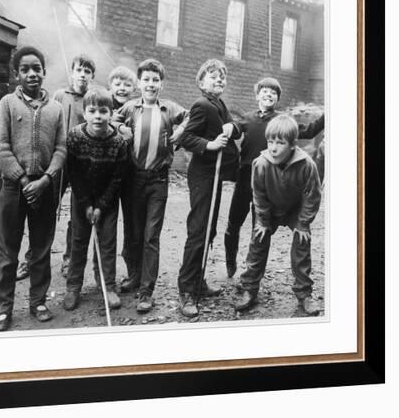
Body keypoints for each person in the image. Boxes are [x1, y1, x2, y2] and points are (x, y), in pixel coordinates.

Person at [224, 78, 324, 278]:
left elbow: (310, 130)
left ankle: (252, 269)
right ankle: (230, 260)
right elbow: (235, 130)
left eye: (273, 92)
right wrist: (229, 128)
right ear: (257, 95)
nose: (268, 94)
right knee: (234, 221)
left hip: (267, 178)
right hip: (245, 177)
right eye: (264, 91)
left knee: (260, 225)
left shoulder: (282, 122)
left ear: (277, 98)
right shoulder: (247, 118)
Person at [0, 46, 66, 331]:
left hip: (45, 189)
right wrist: (23, 180)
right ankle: (3, 307)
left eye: (36, 68)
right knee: (8, 251)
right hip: (14, 189)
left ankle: (38, 301)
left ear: (44, 72)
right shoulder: (7, 104)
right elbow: (0, 147)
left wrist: (46, 179)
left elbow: (61, 149)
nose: (32, 74)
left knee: (40, 249)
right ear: (16, 74)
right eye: (25, 69)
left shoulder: (56, 109)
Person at [113, 59, 188, 313]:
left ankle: (146, 291)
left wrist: (181, 132)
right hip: (133, 178)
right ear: (139, 82)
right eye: (146, 79)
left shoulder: (169, 108)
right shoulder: (130, 107)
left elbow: (191, 117)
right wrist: (121, 127)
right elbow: (111, 118)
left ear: (161, 84)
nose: (151, 84)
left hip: (158, 179)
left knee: (150, 236)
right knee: (133, 233)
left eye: (155, 80)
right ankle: (134, 276)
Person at [15, 54, 96, 281]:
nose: (82, 75)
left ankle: (69, 260)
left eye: (87, 72)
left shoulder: (92, 98)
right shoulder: (60, 95)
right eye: (79, 70)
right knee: (46, 211)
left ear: (92, 77)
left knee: (77, 214)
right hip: (58, 161)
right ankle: (32, 258)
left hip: (82, 164)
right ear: (72, 72)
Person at [235, 114, 322, 316]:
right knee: (258, 242)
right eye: (270, 141)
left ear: (292, 144)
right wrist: (263, 221)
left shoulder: (307, 164)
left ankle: (304, 293)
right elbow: (258, 195)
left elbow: (313, 196)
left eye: (280, 143)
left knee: (302, 244)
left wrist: (303, 223)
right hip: (269, 209)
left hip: (295, 210)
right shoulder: (261, 163)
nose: (273, 147)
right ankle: (249, 288)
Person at [177, 59, 240, 318]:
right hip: (203, 177)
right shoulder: (201, 105)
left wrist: (231, 126)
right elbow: (185, 138)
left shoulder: (219, 104)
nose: (219, 80)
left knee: (209, 229)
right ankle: (187, 290)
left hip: (215, 177)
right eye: (213, 76)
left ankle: (199, 279)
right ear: (201, 82)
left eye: (222, 77)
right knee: (199, 231)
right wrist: (209, 145)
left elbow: (233, 128)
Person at [63, 88, 128, 311]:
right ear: (84, 113)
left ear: (111, 113)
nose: (98, 116)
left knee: (107, 243)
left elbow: (117, 179)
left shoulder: (119, 143)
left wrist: (101, 205)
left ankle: (107, 285)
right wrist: (86, 204)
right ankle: (73, 286)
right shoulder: (74, 136)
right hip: (82, 198)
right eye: (92, 111)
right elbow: (74, 174)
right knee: (78, 241)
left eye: (103, 111)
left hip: (107, 201)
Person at [107, 66, 137, 286]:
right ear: (111, 86)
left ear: (133, 88)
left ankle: (132, 271)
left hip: (129, 175)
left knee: (131, 224)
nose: (122, 88)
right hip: (106, 175)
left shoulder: (136, 108)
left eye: (127, 84)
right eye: (118, 84)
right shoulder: (102, 105)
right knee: (103, 224)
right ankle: (71, 260)